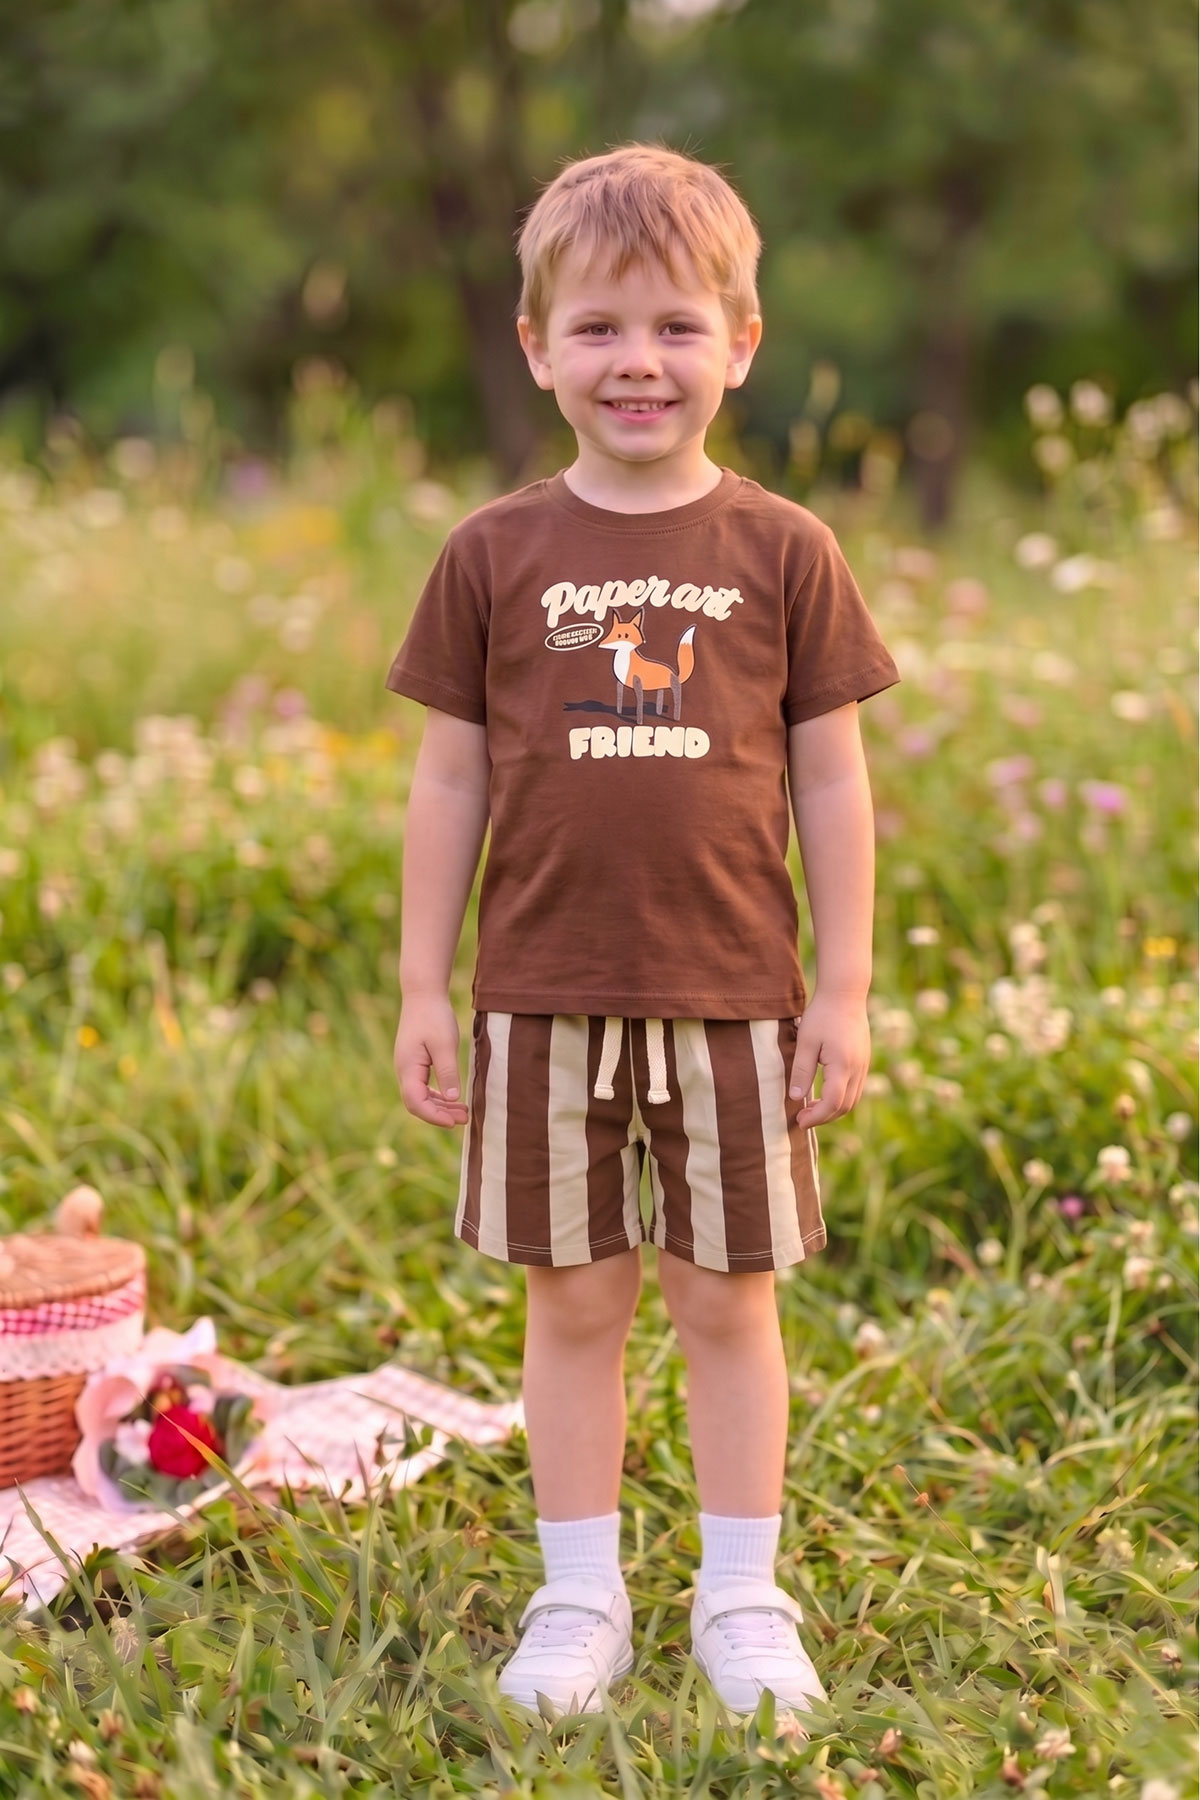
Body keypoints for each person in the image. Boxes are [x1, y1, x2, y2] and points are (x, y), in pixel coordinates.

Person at [386, 143, 900, 1722]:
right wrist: (422, 987)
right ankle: (579, 1594)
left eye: (677, 326)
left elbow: (833, 778)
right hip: (539, 1000)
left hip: (736, 1000)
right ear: (537, 348)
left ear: (742, 344)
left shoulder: (785, 550)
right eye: (599, 327)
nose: (639, 361)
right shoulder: (493, 553)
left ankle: (742, 1595)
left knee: (727, 1301)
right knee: (574, 1301)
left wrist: (843, 990)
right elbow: (451, 777)